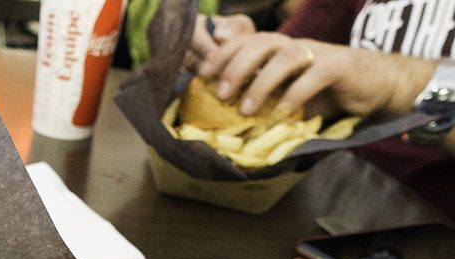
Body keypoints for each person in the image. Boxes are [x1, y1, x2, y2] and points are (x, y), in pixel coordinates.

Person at [189, 3, 455, 220]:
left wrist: (399, 81)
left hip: (424, 244)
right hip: (302, 206)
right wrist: (234, 51)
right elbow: (290, 63)